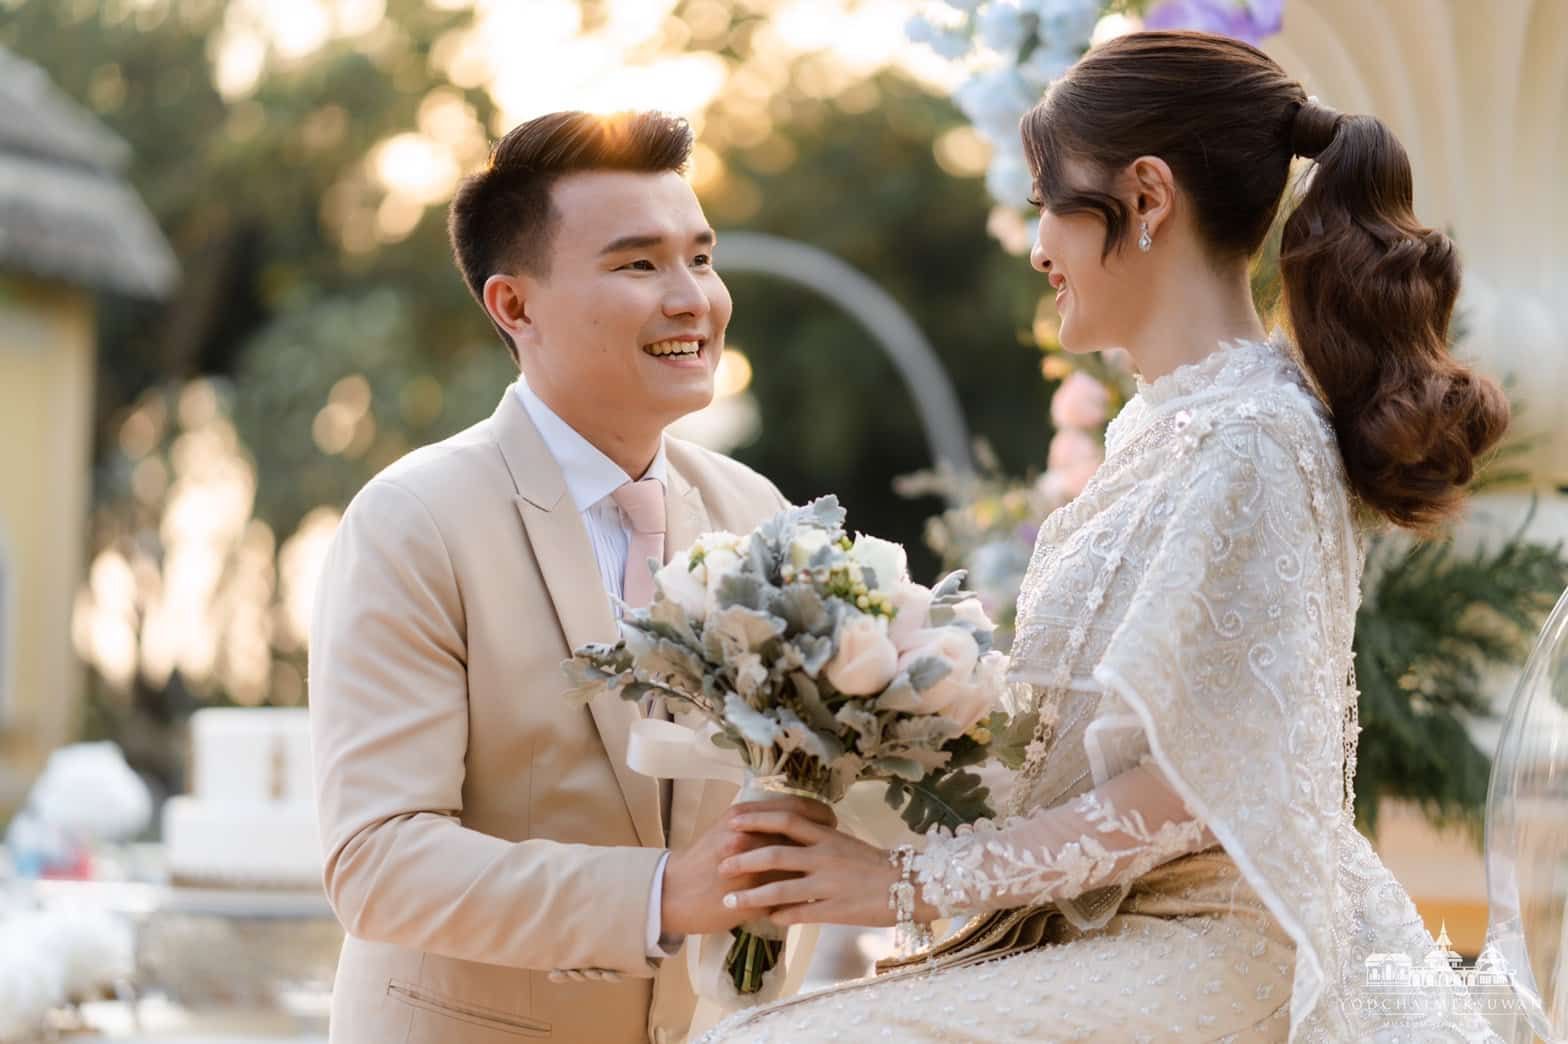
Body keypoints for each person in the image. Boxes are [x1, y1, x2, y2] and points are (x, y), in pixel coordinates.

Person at [698, 31, 1508, 1042]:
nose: (1038, 245)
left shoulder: (1252, 438)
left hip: (1218, 940)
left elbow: (1193, 791)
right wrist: (837, 749)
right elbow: (1072, 749)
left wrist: (907, 881)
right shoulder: (1169, 425)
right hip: (1125, 925)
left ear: (1146, 197)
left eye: (1050, 201)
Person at [308, 110, 828, 1044]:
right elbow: (378, 862)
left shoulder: (759, 514)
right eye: (640, 265)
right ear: (515, 306)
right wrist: (663, 894)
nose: (693, 299)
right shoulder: (413, 520)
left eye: (700, 258)